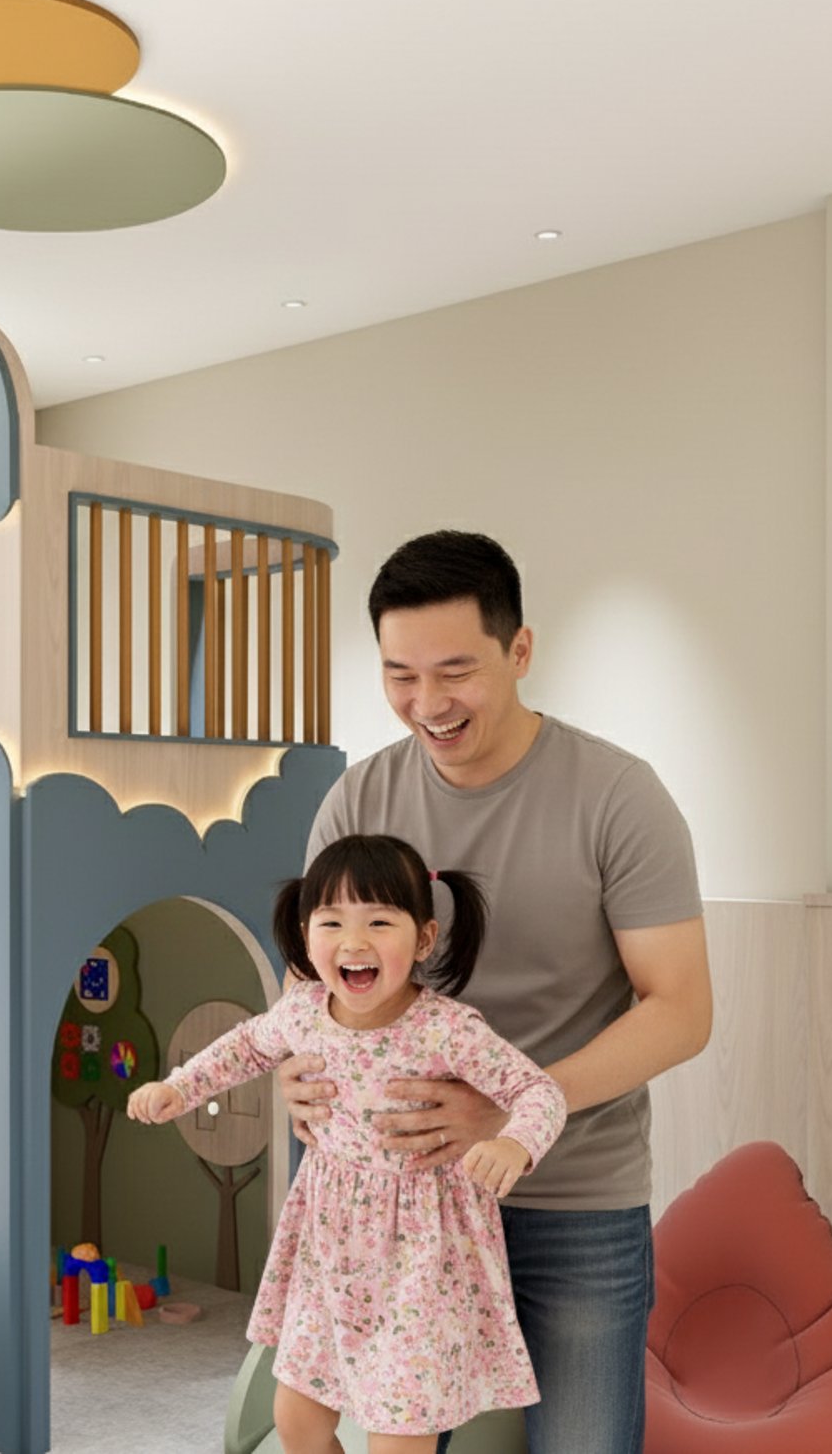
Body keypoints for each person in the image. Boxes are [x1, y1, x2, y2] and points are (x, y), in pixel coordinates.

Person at [282, 530, 711, 1454]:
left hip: (572, 1202)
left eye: (455, 671)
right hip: (400, 1197)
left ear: (519, 651)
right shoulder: (358, 801)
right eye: (399, 674)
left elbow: (680, 1008)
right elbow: (308, 984)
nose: (427, 704)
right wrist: (297, 1069)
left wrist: (511, 1112)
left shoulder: (617, 796)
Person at [128, 833, 566, 1454]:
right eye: (332, 922)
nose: (354, 942)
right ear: (307, 935)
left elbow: (539, 1092)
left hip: (423, 1258)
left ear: (424, 940)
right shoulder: (303, 1010)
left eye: (379, 922)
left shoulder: (447, 1029)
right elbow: (246, 1047)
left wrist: (514, 1143)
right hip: (328, 1249)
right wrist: (178, 1089)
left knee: (397, 1440)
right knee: (297, 1420)